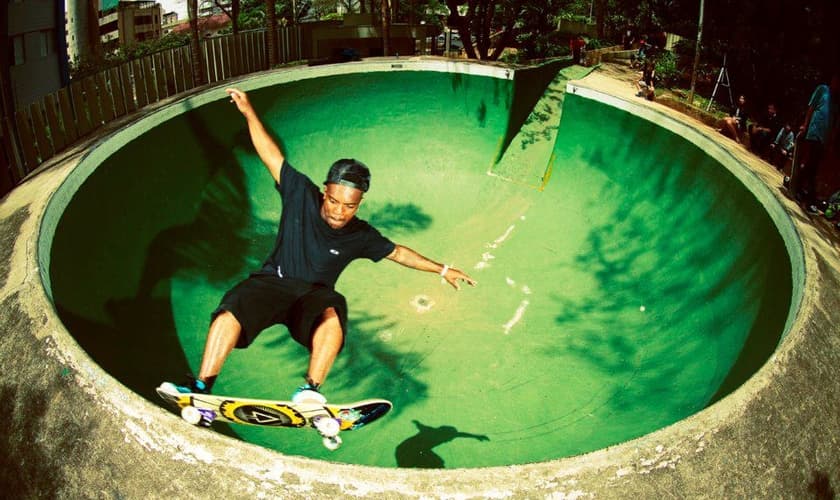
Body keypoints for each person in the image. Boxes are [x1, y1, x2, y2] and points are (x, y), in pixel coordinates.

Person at [166, 88, 477, 403]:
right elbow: (270, 155)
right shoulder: (300, 193)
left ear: (360, 203)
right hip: (273, 282)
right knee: (231, 309)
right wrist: (248, 112)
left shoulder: (361, 235)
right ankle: (202, 388)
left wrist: (443, 269)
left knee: (332, 311)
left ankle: (310, 393)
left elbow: (398, 252)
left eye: (349, 206)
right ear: (325, 190)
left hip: (312, 297)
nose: (339, 211)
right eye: (333, 200)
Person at [797, 71, 839, 214]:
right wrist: (805, 125)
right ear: (833, 80)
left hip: (823, 138)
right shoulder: (822, 89)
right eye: (837, 81)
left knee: (812, 165)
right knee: (811, 164)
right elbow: (811, 107)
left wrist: (831, 141)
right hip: (814, 132)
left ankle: (798, 186)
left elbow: (834, 123)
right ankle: (809, 198)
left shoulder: (836, 101)